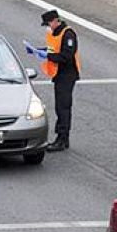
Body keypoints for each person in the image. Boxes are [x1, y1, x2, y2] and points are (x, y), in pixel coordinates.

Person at [26, 10, 80, 151]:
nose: (48, 27)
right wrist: (37, 50)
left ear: (56, 21)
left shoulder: (68, 34)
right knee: (59, 107)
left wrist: (48, 56)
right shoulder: (54, 34)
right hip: (59, 75)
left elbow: (66, 56)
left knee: (63, 107)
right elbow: (52, 49)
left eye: (49, 24)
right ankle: (62, 138)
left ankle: (62, 139)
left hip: (67, 75)